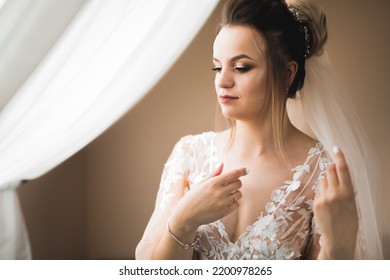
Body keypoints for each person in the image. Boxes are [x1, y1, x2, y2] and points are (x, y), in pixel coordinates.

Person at [136, 0, 383, 260]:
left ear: (287, 74)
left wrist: (339, 247)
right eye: (217, 67)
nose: (223, 80)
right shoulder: (189, 155)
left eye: (241, 67)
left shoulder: (322, 171)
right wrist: (184, 221)